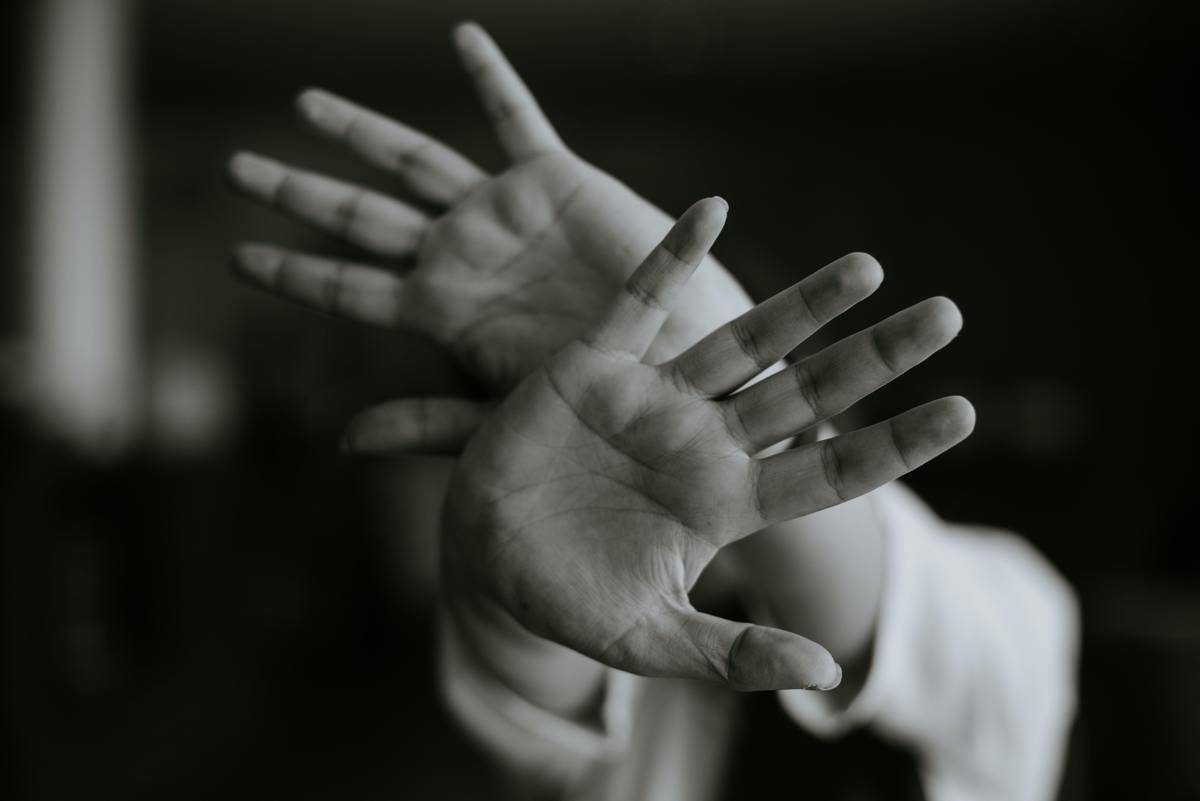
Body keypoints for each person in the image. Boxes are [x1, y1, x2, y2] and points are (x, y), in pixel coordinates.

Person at [227, 23, 1079, 801]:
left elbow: (928, 639)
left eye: (711, 387)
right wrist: (498, 593)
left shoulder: (1022, 607)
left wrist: (750, 405)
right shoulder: (627, 684)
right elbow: (538, 719)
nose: (677, 435)